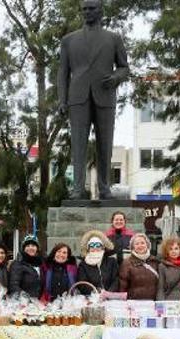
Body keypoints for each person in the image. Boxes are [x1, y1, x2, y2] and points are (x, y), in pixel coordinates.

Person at [57, 0, 129, 200]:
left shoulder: (113, 39)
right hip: (77, 98)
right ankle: (78, 188)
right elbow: (62, 73)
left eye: (92, 9)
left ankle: (104, 188)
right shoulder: (69, 40)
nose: (87, 12)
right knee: (78, 144)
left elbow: (124, 67)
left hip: (105, 96)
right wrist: (62, 100)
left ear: (100, 11)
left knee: (105, 144)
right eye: (84, 9)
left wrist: (115, 78)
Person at [118, 233, 160, 300]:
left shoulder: (155, 261)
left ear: (147, 245)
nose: (140, 246)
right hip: (134, 303)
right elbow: (122, 286)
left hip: (152, 303)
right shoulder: (127, 263)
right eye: (137, 244)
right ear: (133, 247)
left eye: (142, 243)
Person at [8, 235, 44, 299]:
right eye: (27, 246)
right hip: (23, 304)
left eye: (33, 245)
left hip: (38, 303)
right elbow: (14, 286)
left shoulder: (41, 263)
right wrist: (25, 300)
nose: (30, 248)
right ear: (24, 249)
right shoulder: (17, 264)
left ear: (37, 248)